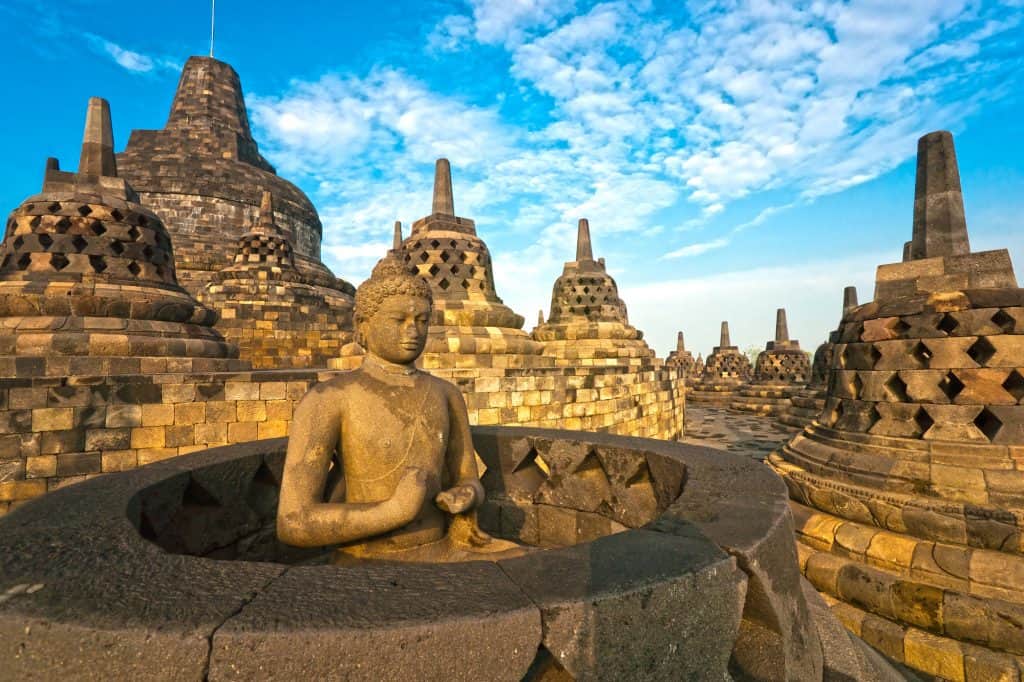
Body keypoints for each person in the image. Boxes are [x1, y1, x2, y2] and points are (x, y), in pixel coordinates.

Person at [276, 256, 522, 562]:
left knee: (539, 566)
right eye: (398, 320)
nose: (413, 331)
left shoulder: (446, 394)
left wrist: (467, 495)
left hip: (445, 549)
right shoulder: (329, 398)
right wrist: (392, 512)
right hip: (368, 559)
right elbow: (293, 522)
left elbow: (467, 478)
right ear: (363, 324)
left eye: (421, 320)